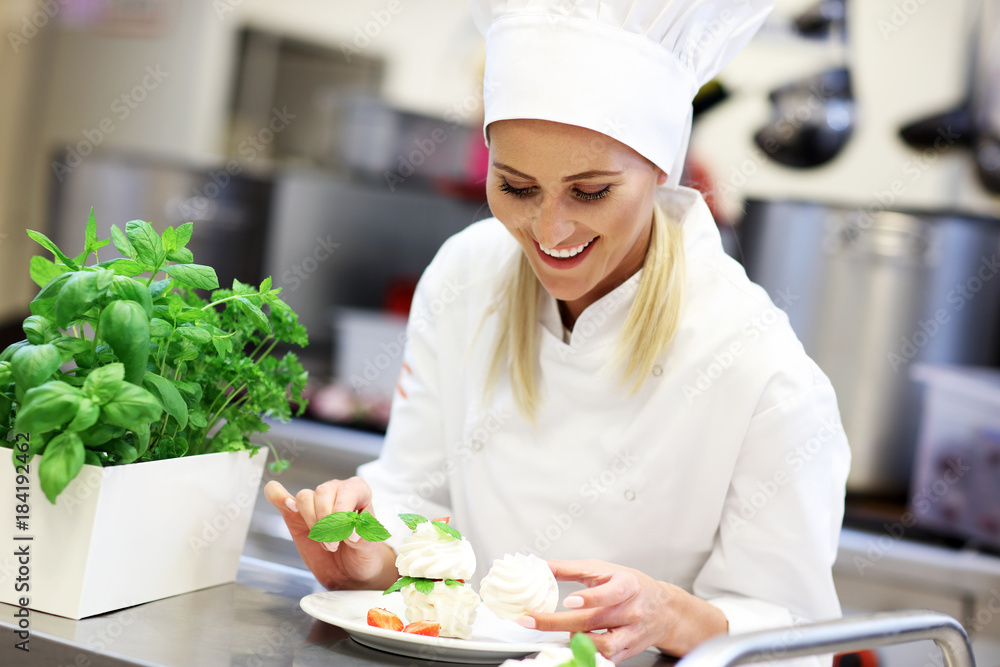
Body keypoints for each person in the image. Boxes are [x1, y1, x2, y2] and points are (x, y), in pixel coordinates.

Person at [265, 0, 851, 663]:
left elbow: (798, 642)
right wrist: (370, 553)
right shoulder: (467, 275)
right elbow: (416, 495)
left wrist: (668, 614)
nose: (549, 231)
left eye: (591, 191)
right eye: (515, 186)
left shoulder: (761, 371)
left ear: (661, 170)